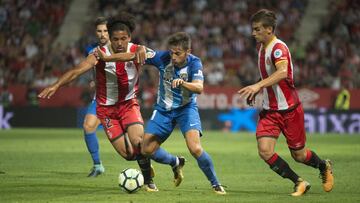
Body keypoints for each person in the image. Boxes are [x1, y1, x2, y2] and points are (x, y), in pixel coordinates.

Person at [38, 14, 158, 191]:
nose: (118, 43)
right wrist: (56, 85)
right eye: (115, 39)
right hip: (106, 110)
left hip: (128, 105)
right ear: (110, 37)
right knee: (128, 155)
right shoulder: (98, 54)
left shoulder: (137, 50)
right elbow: (78, 70)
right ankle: (133, 164)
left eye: (123, 39)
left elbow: (161, 58)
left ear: (129, 38)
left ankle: (149, 180)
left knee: (138, 140)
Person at [238, 9, 334, 196]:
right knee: (265, 151)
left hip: (289, 110)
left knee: (299, 155)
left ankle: (323, 166)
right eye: (253, 29)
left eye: (257, 29)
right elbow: (269, 74)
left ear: (269, 29)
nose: (253, 33)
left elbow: (282, 72)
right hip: (270, 111)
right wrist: (258, 90)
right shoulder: (262, 48)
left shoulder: (278, 48)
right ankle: (299, 182)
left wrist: (258, 86)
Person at [141, 32, 226, 195]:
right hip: (163, 110)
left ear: (188, 52)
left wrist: (184, 83)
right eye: (171, 52)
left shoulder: (195, 63)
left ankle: (216, 184)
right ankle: (175, 162)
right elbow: (140, 52)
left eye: (177, 53)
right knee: (146, 149)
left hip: (186, 109)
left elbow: (199, 88)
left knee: (194, 148)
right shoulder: (162, 57)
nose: (173, 56)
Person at [82, 17, 108, 177]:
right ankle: (98, 165)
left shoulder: (121, 49)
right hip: (101, 98)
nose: (102, 34)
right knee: (88, 126)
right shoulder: (92, 52)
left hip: (121, 100)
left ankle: (146, 164)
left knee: (132, 141)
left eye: (105, 31)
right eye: (99, 31)